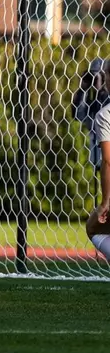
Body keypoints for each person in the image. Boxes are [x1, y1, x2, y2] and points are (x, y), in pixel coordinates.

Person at [78, 61, 110, 262]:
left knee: (93, 227)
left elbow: (108, 160)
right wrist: (84, 87)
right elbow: (78, 112)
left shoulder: (104, 114)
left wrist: (106, 200)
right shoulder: (98, 107)